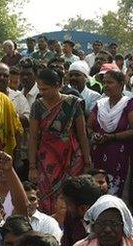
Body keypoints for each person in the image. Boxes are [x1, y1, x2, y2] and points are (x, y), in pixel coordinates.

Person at [28, 68, 91, 214]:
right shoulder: (37, 105)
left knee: (70, 194)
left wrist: (87, 162)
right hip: (47, 158)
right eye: (40, 89)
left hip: (71, 157)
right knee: (45, 194)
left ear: (57, 85)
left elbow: (82, 134)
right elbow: (33, 136)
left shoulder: (73, 103)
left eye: (45, 89)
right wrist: (32, 166)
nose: (42, 92)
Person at [89, 69, 133, 198]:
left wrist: (113, 137)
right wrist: (93, 135)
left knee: (118, 191)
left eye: (110, 82)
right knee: (98, 188)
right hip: (99, 153)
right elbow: (89, 126)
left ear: (121, 84)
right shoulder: (99, 105)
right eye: (104, 82)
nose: (106, 85)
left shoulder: (130, 104)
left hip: (121, 155)